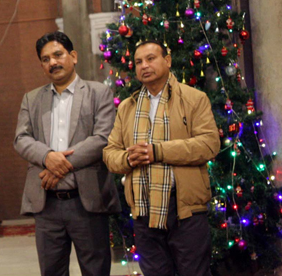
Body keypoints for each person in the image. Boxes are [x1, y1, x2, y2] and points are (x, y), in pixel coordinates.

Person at [103, 41, 219, 276]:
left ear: (167, 61)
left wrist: (158, 152)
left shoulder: (194, 98)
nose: (144, 66)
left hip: (185, 209)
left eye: (150, 58)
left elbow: (209, 145)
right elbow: (110, 152)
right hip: (144, 210)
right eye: (138, 62)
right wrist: (128, 158)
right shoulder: (127, 106)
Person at [14, 31, 120, 276]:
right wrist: (46, 156)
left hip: (88, 201)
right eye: (45, 59)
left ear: (73, 56)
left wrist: (57, 164)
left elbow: (103, 138)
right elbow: (21, 139)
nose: (52, 62)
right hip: (47, 204)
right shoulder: (32, 99)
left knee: (95, 271)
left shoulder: (98, 93)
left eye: (58, 55)